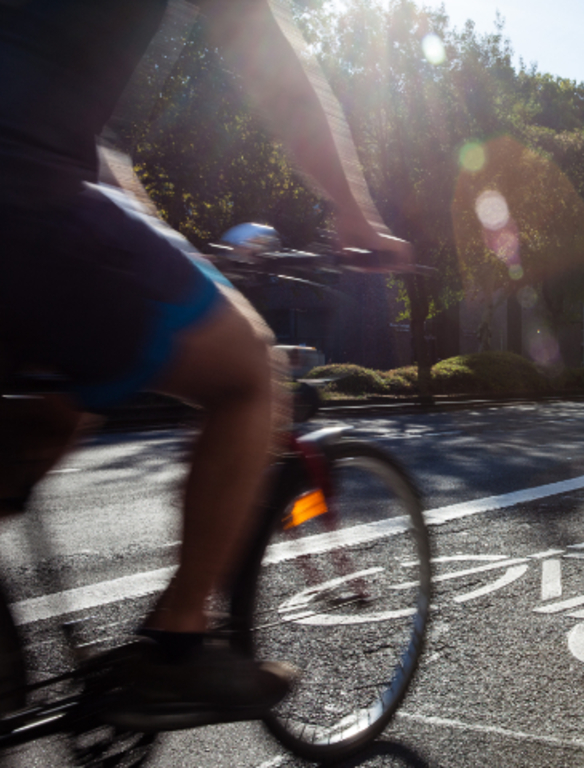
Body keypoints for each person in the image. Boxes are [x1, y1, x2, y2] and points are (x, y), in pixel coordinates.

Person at [0, 0, 411, 729]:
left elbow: (90, 140)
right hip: (24, 191)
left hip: (35, 172)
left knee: (51, 407)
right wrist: (351, 210)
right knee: (249, 372)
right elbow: (270, 60)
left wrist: (156, 239)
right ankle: (179, 647)